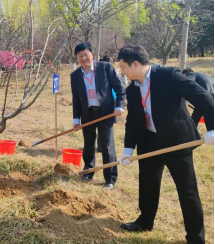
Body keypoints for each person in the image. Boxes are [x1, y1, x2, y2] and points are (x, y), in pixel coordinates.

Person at [117, 45, 214, 244]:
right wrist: (128, 148)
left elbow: (204, 97)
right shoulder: (133, 90)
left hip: (176, 141)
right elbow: (134, 120)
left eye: (123, 67)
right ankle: (145, 221)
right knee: (147, 184)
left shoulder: (169, 75)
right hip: (149, 141)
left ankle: (196, 237)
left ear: (135, 64)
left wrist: (212, 128)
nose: (122, 71)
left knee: (187, 190)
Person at [71, 42, 126, 191]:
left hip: (106, 113)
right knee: (88, 146)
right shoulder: (75, 75)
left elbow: (120, 88)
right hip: (87, 114)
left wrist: (119, 105)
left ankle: (110, 178)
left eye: (86, 54)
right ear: (77, 58)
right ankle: (88, 172)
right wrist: (76, 119)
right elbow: (76, 99)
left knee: (107, 146)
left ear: (92, 54)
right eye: (80, 56)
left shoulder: (105, 68)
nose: (83, 58)